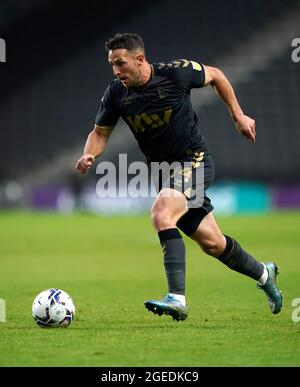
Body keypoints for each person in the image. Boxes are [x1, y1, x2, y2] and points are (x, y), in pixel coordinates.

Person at [76, 33, 282, 321]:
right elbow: (99, 133)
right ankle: (264, 273)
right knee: (213, 243)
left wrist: (238, 115)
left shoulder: (176, 73)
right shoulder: (116, 94)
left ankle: (177, 298)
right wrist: (90, 155)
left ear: (140, 59)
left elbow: (216, 76)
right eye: (112, 65)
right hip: (164, 174)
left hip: (193, 160)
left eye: (120, 63)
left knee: (161, 213)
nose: (116, 71)